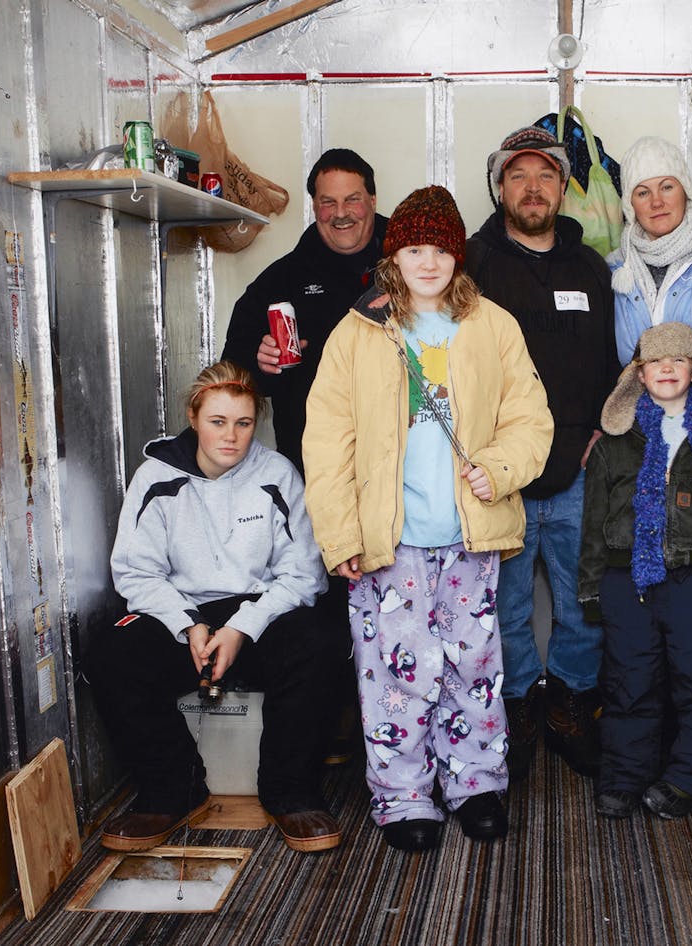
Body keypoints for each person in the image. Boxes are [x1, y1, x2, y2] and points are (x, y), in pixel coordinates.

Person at [302, 185, 552, 852]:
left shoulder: (492, 326)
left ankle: (475, 785)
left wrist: (497, 469)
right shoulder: (357, 334)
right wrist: (341, 536)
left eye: (441, 248)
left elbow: (530, 418)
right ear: (395, 255)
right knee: (396, 673)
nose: (430, 261)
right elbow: (327, 443)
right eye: (416, 247)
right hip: (392, 543)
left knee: (474, 666)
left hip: (470, 536)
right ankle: (405, 796)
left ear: (457, 256)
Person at [85, 361, 342, 854]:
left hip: (258, 613)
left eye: (243, 423)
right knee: (111, 651)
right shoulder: (155, 476)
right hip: (180, 613)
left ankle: (291, 792)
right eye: (217, 422)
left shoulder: (276, 473)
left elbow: (304, 574)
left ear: (256, 423)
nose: (231, 437)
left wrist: (242, 628)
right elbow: (136, 573)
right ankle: (171, 788)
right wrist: (188, 627)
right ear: (193, 417)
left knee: (323, 638)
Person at [221, 148, 387, 762]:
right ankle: (344, 721)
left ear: (372, 198)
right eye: (327, 202)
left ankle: (411, 726)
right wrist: (259, 367)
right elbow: (232, 374)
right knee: (336, 597)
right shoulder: (284, 279)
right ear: (314, 205)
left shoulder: (413, 259)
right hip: (320, 475)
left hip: (404, 472)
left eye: (352, 199)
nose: (341, 214)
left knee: (408, 596)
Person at [464, 126, 617, 779]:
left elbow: (612, 364)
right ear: (500, 187)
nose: (532, 187)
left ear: (562, 187)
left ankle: (571, 709)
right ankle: (520, 705)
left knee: (585, 603)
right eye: (518, 175)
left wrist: (602, 433)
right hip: (500, 475)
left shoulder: (590, 268)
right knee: (506, 606)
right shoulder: (470, 264)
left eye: (546, 175)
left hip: (577, 470)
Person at [579, 322, 692, 821]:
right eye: (656, 361)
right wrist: (592, 586)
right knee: (629, 681)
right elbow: (594, 519)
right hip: (625, 577)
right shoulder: (616, 440)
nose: (668, 368)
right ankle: (625, 777)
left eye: (679, 360)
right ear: (639, 373)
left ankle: (689, 779)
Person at [607, 135, 692, 364]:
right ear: (630, 205)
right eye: (642, 192)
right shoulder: (614, 268)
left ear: (686, 192)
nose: (656, 202)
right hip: (633, 400)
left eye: (667, 187)